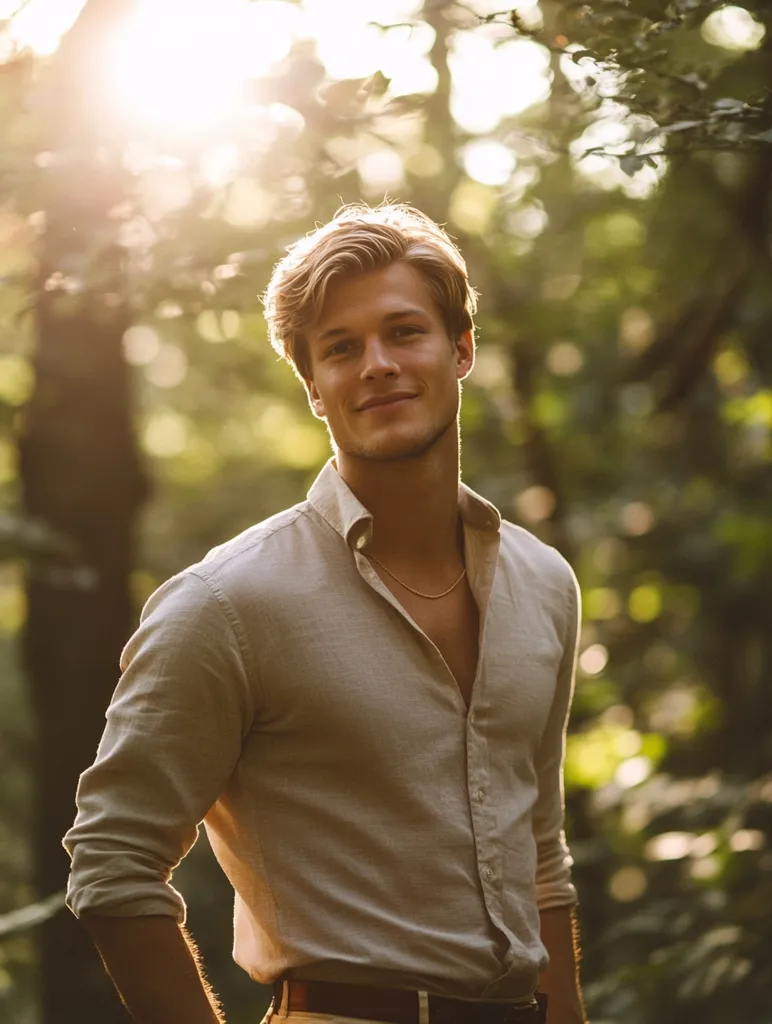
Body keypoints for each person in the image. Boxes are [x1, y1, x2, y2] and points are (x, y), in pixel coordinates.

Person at [64, 203, 586, 1024]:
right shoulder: (228, 603)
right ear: (314, 387)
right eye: (342, 348)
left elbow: (541, 859)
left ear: (462, 349)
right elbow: (111, 860)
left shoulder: (545, 583)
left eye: (404, 332)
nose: (376, 364)